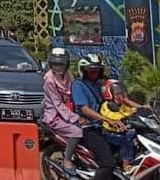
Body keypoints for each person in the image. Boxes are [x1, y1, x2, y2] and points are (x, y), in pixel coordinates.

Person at [71, 54, 124, 180]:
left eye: (97, 70)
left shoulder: (101, 84)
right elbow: (85, 109)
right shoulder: (78, 85)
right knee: (108, 163)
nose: (95, 73)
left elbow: (118, 97)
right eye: (91, 71)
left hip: (102, 126)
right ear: (83, 71)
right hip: (87, 128)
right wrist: (107, 119)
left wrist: (137, 108)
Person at [42, 48, 85, 176]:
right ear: (51, 64)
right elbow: (58, 104)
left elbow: (74, 92)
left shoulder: (68, 75)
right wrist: (75, 118)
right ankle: (67, 161)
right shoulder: (49, 80)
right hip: (55, 117)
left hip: (70, 111)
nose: (58, 67)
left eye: (61, 64)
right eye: (55, 64)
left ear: (66, 64)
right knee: (77, 131)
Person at [100, 79, 141, 173]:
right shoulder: (106, 105)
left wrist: (141, 109)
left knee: (138, 134)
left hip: (122, 131)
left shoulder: (122, 104)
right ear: (109, 94)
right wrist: (128, 115)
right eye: (117, 94)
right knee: (125, 140)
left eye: (121, 93)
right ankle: (126, 165)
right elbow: (113, 116)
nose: (120, 96)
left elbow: (130, 110)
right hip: (109, 134)